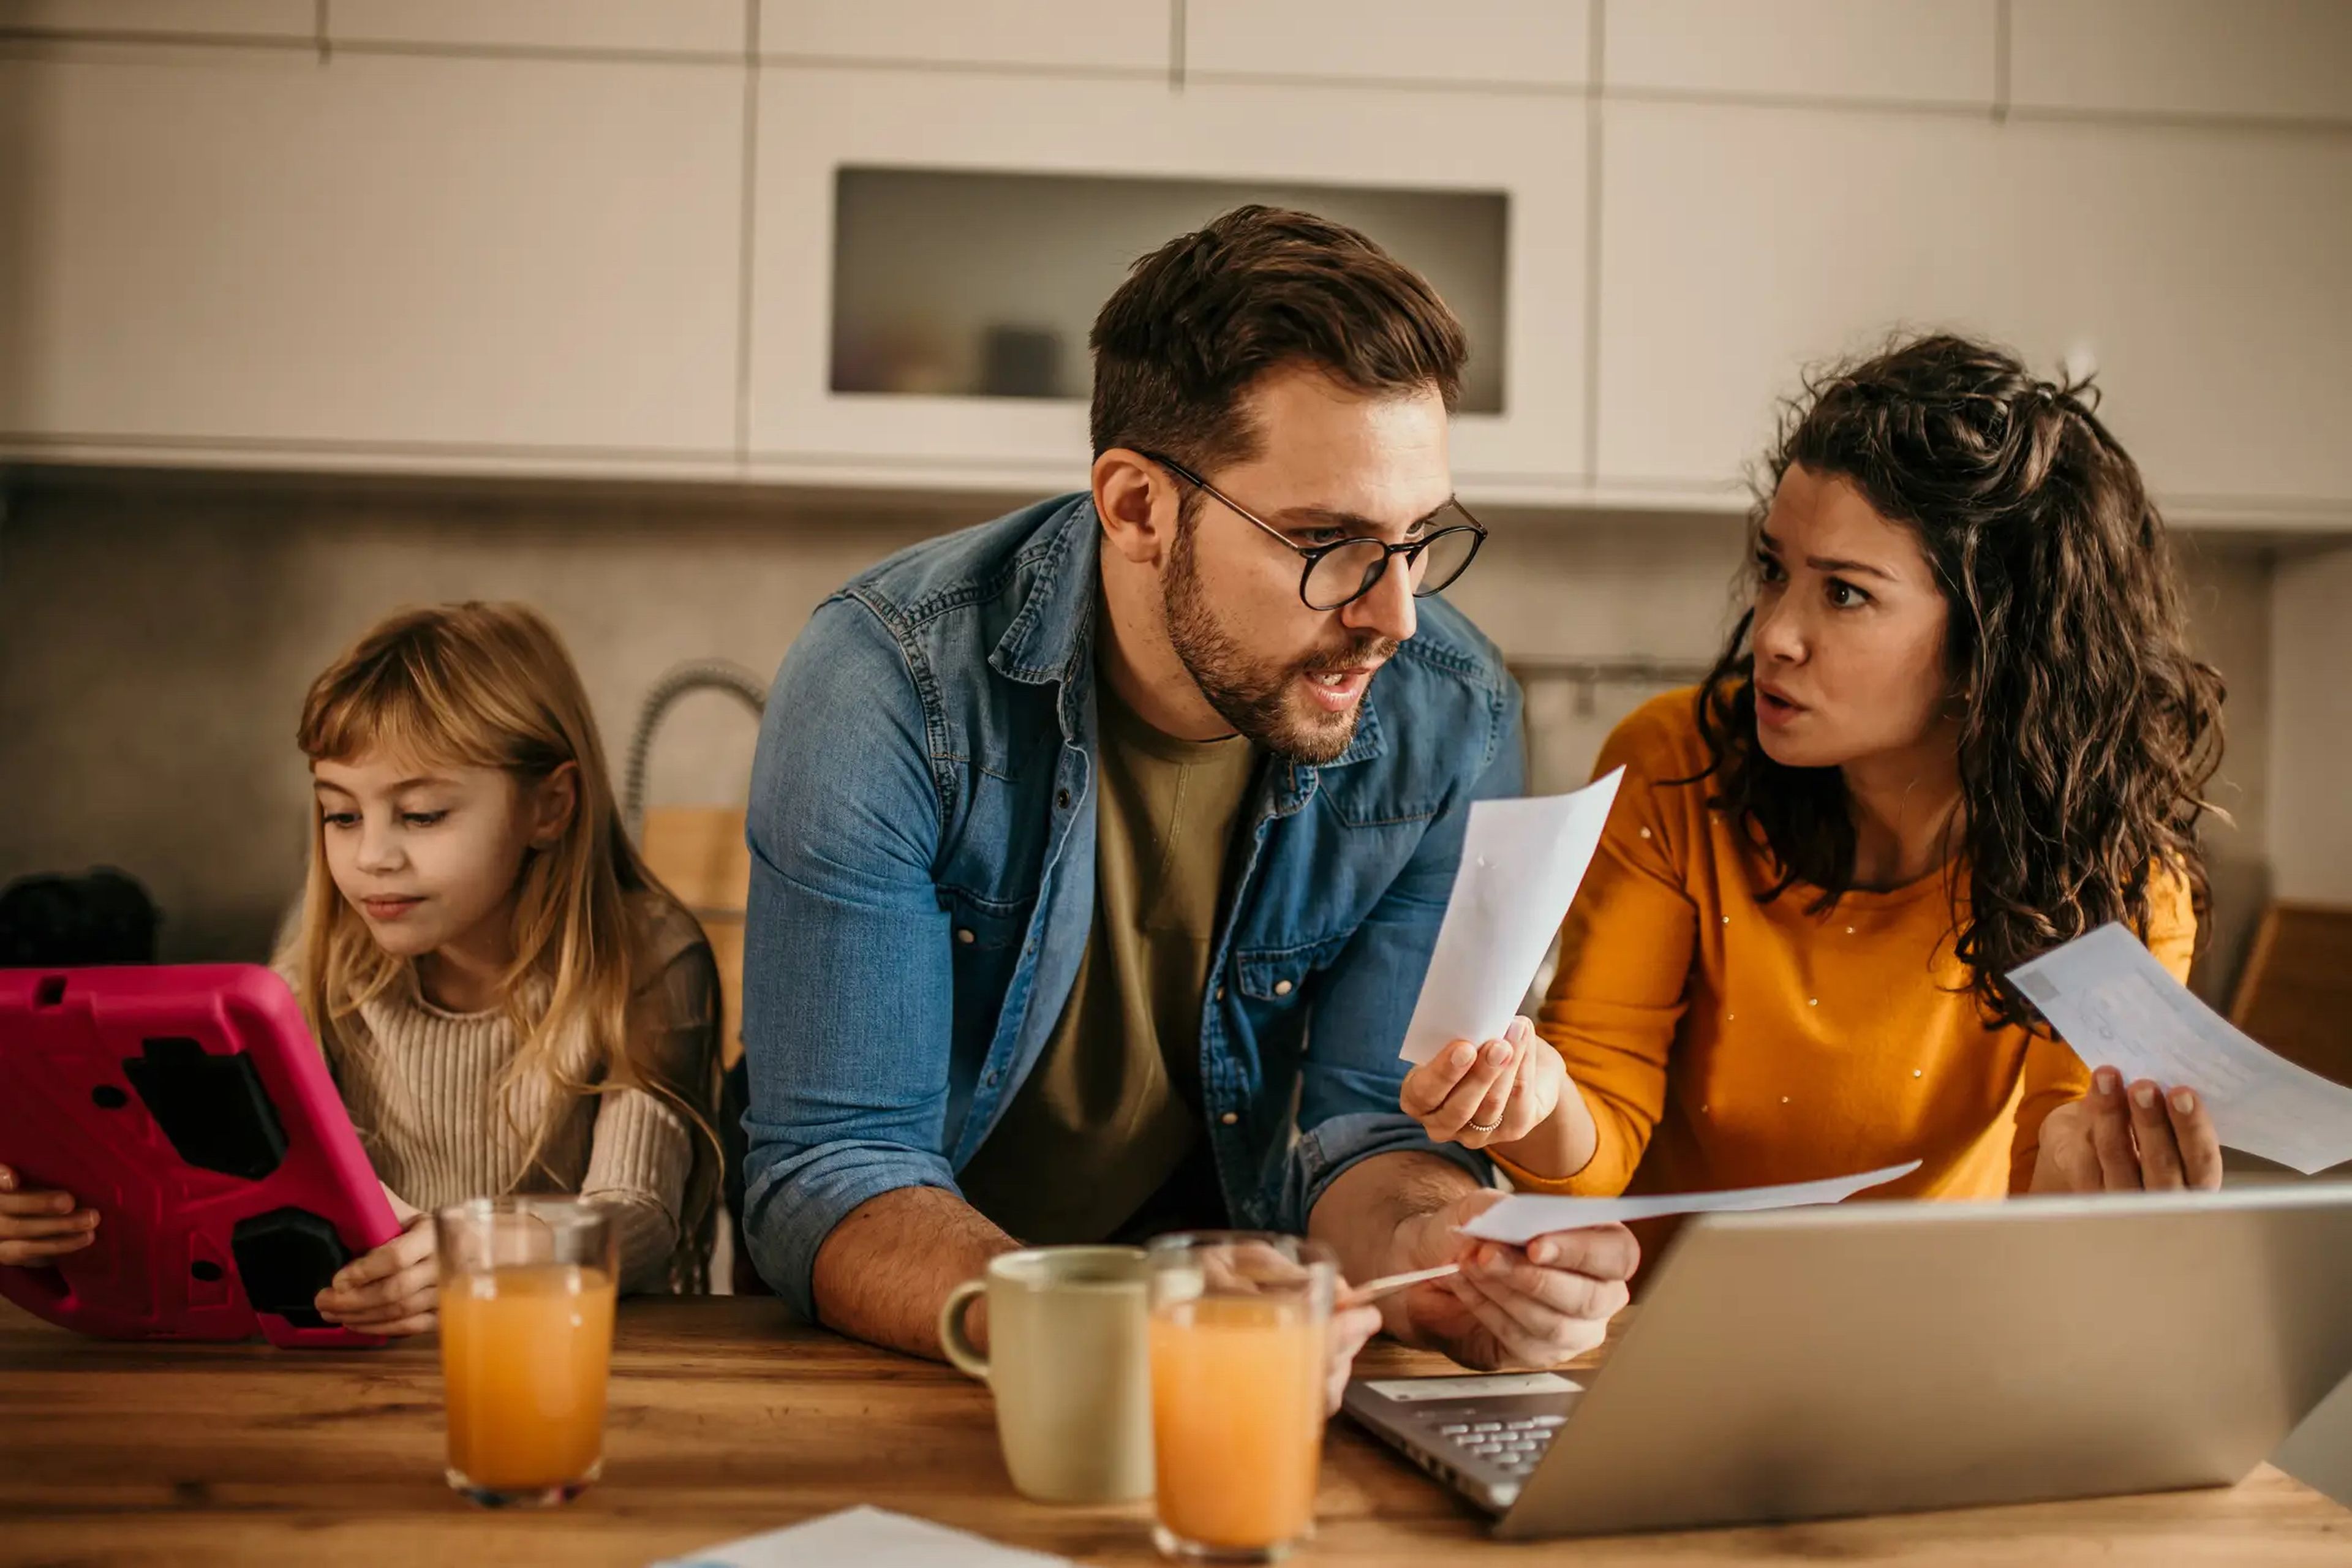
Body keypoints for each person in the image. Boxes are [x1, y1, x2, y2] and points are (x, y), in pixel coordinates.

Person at [738, 206, 1637, 1384]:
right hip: (919, 1357)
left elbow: (1362, 1128)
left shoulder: (1448, 717)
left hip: (1254, 1364)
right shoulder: (890, 686)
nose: (1395, 614)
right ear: (1137, 509)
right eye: (1327, 540)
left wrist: (1441, 1257)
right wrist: (1108, 1327)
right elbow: (837, 1167)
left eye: (1418, 536)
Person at [1401, 334, 2228, 1213]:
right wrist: (1523, 1101)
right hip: (1667, 1334)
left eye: (1844, 593)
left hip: (1939, 1341)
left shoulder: (2116, 871)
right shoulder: (1677, 769)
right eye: (1773, 570)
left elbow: (2050, 1185)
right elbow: (1599, 1119)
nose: (1774, 634)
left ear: (1995, 642)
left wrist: (2100, 1169)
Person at [0, 605, 727, 1325]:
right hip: (372, 1370)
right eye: (342, 815)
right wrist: (56, 1222)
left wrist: (478, 1250)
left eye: (420, 815)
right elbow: (215, 1201)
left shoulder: (648, 959)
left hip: (577, 1361)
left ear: (550, 806)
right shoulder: (324, 962)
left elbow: (637, 1216)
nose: (371, 856)